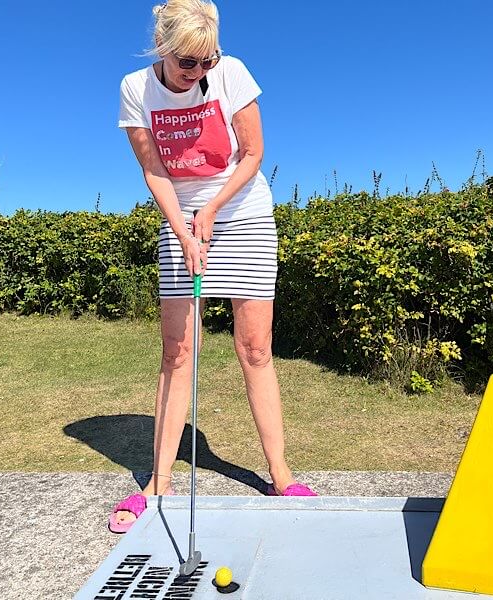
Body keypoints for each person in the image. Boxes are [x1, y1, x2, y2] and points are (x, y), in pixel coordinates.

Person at [109, 0, 317, 534]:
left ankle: (280, 474)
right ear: (163, 49)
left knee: (255, 348)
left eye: (208, 61)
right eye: (188, 63)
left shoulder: (232, 72)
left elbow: (252, 153)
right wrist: (182, 228)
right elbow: (154, 169)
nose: (200, 73)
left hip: (241, 212)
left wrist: (213, 209)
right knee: (178, 352)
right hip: (179, 218)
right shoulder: (136, 88)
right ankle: (158, 483)